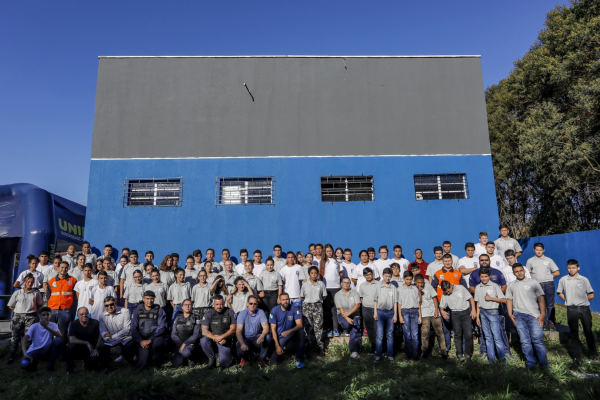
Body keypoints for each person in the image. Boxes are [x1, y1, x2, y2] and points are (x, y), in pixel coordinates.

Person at [506, 263, 548, 370]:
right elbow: (509, 300)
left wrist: (542, 314)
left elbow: (541, 299)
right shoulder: (511, 285)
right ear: (513, 273)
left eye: (521, 270)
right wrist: (510, 314)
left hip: (534, 315)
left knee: (537, 339)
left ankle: (544, 365)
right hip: (518, 316)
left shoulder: (533, 282)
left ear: (524, 271)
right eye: (516, 271)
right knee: (525, 341)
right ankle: (531, 364)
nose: (519, 273)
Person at [556, 259, 597, 364]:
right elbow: (559, 292)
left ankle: (593, 354)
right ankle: (576, 357)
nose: (571, 270)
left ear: (578, 268)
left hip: (584, 309)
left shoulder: (584, 279)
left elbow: (591, 294)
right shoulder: (563, 280)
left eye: (573, 268)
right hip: (571, 309)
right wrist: (567, 299)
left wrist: (583, 300)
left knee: (588, 332)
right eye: (569, 268)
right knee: (573, 333)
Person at [7, 273, 44, 363]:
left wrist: (31, 309)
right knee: (15, 337)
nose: (30, 284)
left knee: (28, 337)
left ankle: (27, 355)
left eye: (32, 282)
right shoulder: (17, 293)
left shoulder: (36, 293)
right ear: (24, 282)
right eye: (28, 282)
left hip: (31, 316)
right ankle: (12, 355)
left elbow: (39, 304)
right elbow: (11, 305)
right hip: (18, 316)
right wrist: (19, 310)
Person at [474, 268, 506, 363]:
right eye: (482, 277)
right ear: (479, 277)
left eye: (485, 276)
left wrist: (491, 298)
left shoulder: (494, 286)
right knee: (488, 337)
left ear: (489, 276)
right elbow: (478, 302)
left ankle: (502, 360)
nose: (484, 278)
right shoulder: (478, 287)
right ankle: (491, 359)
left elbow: (504, 300)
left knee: (497, 336)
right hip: (483, 313)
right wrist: (477, 316)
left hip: (492, 312)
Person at [439, 280, 476, 362]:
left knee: (469, 334)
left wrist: (473, 310)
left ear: (451, 286)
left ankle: (468, 354)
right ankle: (459, 353)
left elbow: (470, 298)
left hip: (465, 313)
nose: (447, 293)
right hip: (455, 314)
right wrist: (442, 311)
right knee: (457, 334)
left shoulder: (461, 288)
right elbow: (442, 305)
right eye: (446, 292)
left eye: (448, 291)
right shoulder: (445, 293)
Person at [525, 243, 560, 330]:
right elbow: (528, 273)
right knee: (538, 303)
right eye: (537, 250)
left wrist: (548, 277)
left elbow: (557, 272)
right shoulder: (530, 261)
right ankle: (542, 321)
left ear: (543, 250)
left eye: (540, 250)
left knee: (550, 304)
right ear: (534, 250)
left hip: (548, 284)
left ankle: (551, 322)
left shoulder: (548, 260)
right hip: (536, 285)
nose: (539, 252)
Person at [414, 274, 447, 359]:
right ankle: (425, 352)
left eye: (421, 282)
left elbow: (434, 298)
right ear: (415, 282)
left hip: (433, 312)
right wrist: (419, 292)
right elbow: (419, 302)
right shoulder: (413, 289)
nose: (420, 284)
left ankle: (444, 352)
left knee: (440, 332)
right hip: (424, 313)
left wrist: (436, 310)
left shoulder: (428, 286)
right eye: (418, 283)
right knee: (425, 334)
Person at [131, 291, 168, 369]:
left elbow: (162, 326)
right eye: (147, 299)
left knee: (158, 344)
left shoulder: (159, 309)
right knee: (141, 366)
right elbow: (133, 327)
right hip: (142, 339)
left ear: (154, 299)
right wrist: (141, 341)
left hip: (155, 337)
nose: (149, 301)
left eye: (151, 299)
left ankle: (157, 362)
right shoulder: (137, 310)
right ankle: (146, 359)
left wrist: (150, 340)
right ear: (143, 299)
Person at [269, 292, 306, 367]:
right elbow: (273, 329)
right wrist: (277, 345)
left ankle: (299, 359)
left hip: (289, 333)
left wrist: (288, 331)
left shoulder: (294, 308)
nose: (285, 301)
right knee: (273, 362)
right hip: (278, 336)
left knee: (301, 332)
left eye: (287, 299)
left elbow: (300, 325)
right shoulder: (274, 310)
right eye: (283, 300)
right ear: (279, 300)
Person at [20, 306, 62, 372]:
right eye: (43, 315)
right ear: (39, 316)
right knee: (24, 364)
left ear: (50, 315)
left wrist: (46, 327)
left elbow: (60, 337)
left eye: (47, 314)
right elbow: (24, 339)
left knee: (57, 341)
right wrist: (25, 354)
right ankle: (33, 363)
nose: (45, 317)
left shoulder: (53, 325)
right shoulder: (35, 326)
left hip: (46, 350)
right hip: (34, 350)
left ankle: (50, 366)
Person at [200, 295, 237, 369]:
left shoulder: (230, 312)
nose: (219, 307)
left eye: (221, 304)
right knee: (203, 340)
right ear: (213, 304)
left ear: (224, 303)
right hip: (213, 339)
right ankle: (212, 359)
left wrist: (221, 337)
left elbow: (233, 329)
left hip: (225, 340)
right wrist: (216, 338)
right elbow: (204, 331)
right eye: (217, 304)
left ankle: (229, 356)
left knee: (224, 364)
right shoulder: (208, 313)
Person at [98, 296, 135, 369]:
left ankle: (132, 365)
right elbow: (102, 330)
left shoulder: (125, 311)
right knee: (102, 346)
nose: (109, 307)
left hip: (125, 338)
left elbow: (127, 329)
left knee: (129, 350)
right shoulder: (102, 315)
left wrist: (112, 336)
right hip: (111, 339)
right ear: (104, 306)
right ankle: (105, 367)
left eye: (111, 304)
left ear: (115, 303)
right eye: (107, 305)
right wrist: (105, 335)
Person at [236, 295, 271, 368]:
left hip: (256, 338)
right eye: (251, 303)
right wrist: (242, 343)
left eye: (255, 304)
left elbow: (266, 327)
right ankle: (244, 359)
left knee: (267, 337)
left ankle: (260, 359)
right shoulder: (242, 314)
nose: (253, 305)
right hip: (245, 339)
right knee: (240, 350)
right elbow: (238, 331)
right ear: (247, 304)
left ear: (257, 304)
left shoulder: (260, 312)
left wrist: (262, 335)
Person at [300, 266, 327, 356]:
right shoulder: (305, 284)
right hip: (307, 306)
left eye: (315, 273)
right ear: (309, 274)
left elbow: (324, 296)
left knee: (318, 327)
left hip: (318, 306)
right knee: (307, 327)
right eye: (312, 273)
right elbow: (302, 297)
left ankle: (319, 347)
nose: (314, 275)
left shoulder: (321, 284)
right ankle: (306, 348)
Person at [47, 261, 77, 342]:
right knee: (49, 332)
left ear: (68, 269)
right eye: (62, 267)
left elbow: (75, 296)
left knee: (62, 333)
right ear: (58, 268)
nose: (64, 269)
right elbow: (48, 296)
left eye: (66, 268)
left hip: (65, 310)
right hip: (52, 309)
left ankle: (61, 351)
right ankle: (48, 350)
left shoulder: (73, 280)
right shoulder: (51, 281)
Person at [66, 307, 101, 373]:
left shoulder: (95, 323)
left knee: (92, 366)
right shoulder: (74, 324)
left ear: (88, 314)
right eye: (81, 314)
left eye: (86, 313)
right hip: (78, 348)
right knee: (70, 347)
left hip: (92, 349)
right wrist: (87, 343)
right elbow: (72, 339)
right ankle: (70, 369)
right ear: (78, 316)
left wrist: (96, 348)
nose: (84, 315)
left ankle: (88, 363)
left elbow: (100, 336)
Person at [334, 277, 362, 359]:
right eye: (344, 282)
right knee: (347, 324)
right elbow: (340, 308)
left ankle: (354, 351)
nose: (346, 284)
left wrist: (349, 314)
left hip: (354, 315)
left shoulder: (354, 293)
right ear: (341, 284)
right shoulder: (337, 295)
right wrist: (347, 318)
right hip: (342, 315)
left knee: (355, 328)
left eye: (348, 282)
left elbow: (357, 305)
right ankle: (346, 329)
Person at [374, 268, 398, 362]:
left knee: (390, 335)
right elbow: (375, 300)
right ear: (383, 276)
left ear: (391, 276)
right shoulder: (378, 287)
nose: (387, 278)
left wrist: (395, 314)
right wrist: (375, 312)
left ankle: (390, 355)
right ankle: (378, 354)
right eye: (386, 276)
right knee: (379, 334)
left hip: (390, 312)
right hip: (380, 312)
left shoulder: (393, 287)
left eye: (389, 276)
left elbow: (395, 302)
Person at [397, 271, 421, 362]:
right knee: (407, 335)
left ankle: (415, 355)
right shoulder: (400, 289)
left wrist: (420, 316)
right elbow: (399, 304)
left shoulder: (415, 288)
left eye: (410, 279)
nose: (409, 281)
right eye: (407, 279)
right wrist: (400, 316)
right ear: (403, 279)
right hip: (405, 312)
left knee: (415, 335)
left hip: (415, 312)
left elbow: (418, 302)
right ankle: (409, 355)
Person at [320, 244, 343, 337]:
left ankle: (336, 328)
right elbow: (320, 276)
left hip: (336, 288)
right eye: (327, 251)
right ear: (324, 252)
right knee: (327, 310)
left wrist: (336, 281)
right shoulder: (322, 262)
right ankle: (329, 329)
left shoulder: (337, 261)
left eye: (330, 251)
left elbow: (341, 273)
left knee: (335, 309)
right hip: (326, 289)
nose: (329, 253)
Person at [171, 299, 202, 368]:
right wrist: (181, 344)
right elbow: (173, 334)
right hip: (179, 344)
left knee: (186, 353)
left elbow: (196, 334)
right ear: (182, 307)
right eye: (185, 305)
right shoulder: (178, 318)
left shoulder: (196, 317)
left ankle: (191, 358)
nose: (187, 306)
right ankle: (184, 359)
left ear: (192, 306)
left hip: (190, 344)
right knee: (176, 365)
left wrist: (185, 344)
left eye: (189, 304)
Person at [359, 266, 379, 353]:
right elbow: (361, 297)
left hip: (377, 308)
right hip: (366, 309)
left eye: (370, 274)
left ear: (373, 274)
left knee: (377, 328)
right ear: (364, 276)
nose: (368, 276)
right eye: (366, 275)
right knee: (370, 328)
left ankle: (380, 346)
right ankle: (373, 346)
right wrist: (364, 307)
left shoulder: (379, 284)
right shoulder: (362, 285)